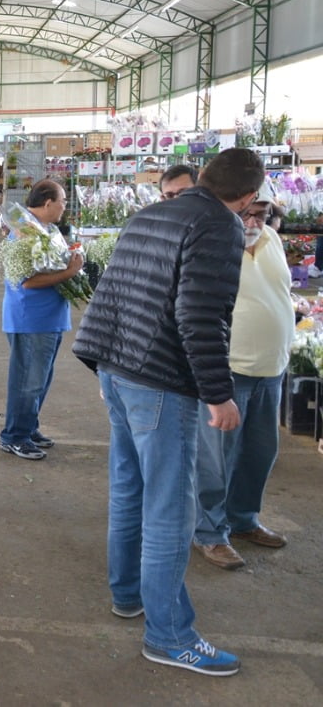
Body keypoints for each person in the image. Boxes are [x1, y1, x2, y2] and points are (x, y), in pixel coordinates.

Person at [71, 147, 265, 678]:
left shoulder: (152, 213)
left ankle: (129, 595)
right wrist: (219, 394)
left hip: (118, 366)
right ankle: (170, 636)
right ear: (248, 197)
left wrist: (102, 364)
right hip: (158, 379)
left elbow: (110, 290)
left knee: (130, 489)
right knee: (170, 510)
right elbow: (200, 314)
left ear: (203, 177)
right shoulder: (218, 225)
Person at [193, 182, 292, 570]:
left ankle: (243, 519)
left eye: (261, 214)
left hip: (271, 368)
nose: (253, 222)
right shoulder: (212, 243)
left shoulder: (271, 240)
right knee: (216, 460)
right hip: (229, 369)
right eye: (246, 213)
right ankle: (209, 532)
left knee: (260, 453)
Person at [0, 180, 82, 460]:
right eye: (63, 201)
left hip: (48, 317)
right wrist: (69, 273)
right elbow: (27, 281)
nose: (64, 206)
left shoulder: (46, 230)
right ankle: (15, 436)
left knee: (40, 379)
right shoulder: (24, 232)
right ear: (47, 203)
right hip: (31, 319)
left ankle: (28, 427)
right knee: (28, 381)